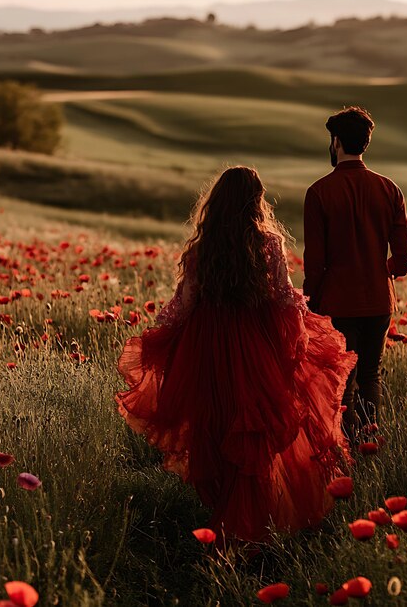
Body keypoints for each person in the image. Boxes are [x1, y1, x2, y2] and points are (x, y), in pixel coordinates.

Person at [115, 166, 357, 545]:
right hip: (254, 344)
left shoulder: (202, 248)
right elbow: (281, 296)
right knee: (251, 431)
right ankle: (247, 525)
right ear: (255, 202)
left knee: (218, 427)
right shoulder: (268, 245)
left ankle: (230, 520)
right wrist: (301, 334)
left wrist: (162, 336)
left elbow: (185, 303)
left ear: (218, 202)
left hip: (208, 346)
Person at [303, 107, 407, 439]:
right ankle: (368, 442)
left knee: (343, 377)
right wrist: (388, 271)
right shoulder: (389, 189)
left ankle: (344, 447)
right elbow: (405, 250)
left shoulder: (319, 192)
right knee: (370, 375)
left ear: (336, 142)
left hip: (338, 302)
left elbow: (315, 260)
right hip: (379, 301)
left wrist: (311, 301)